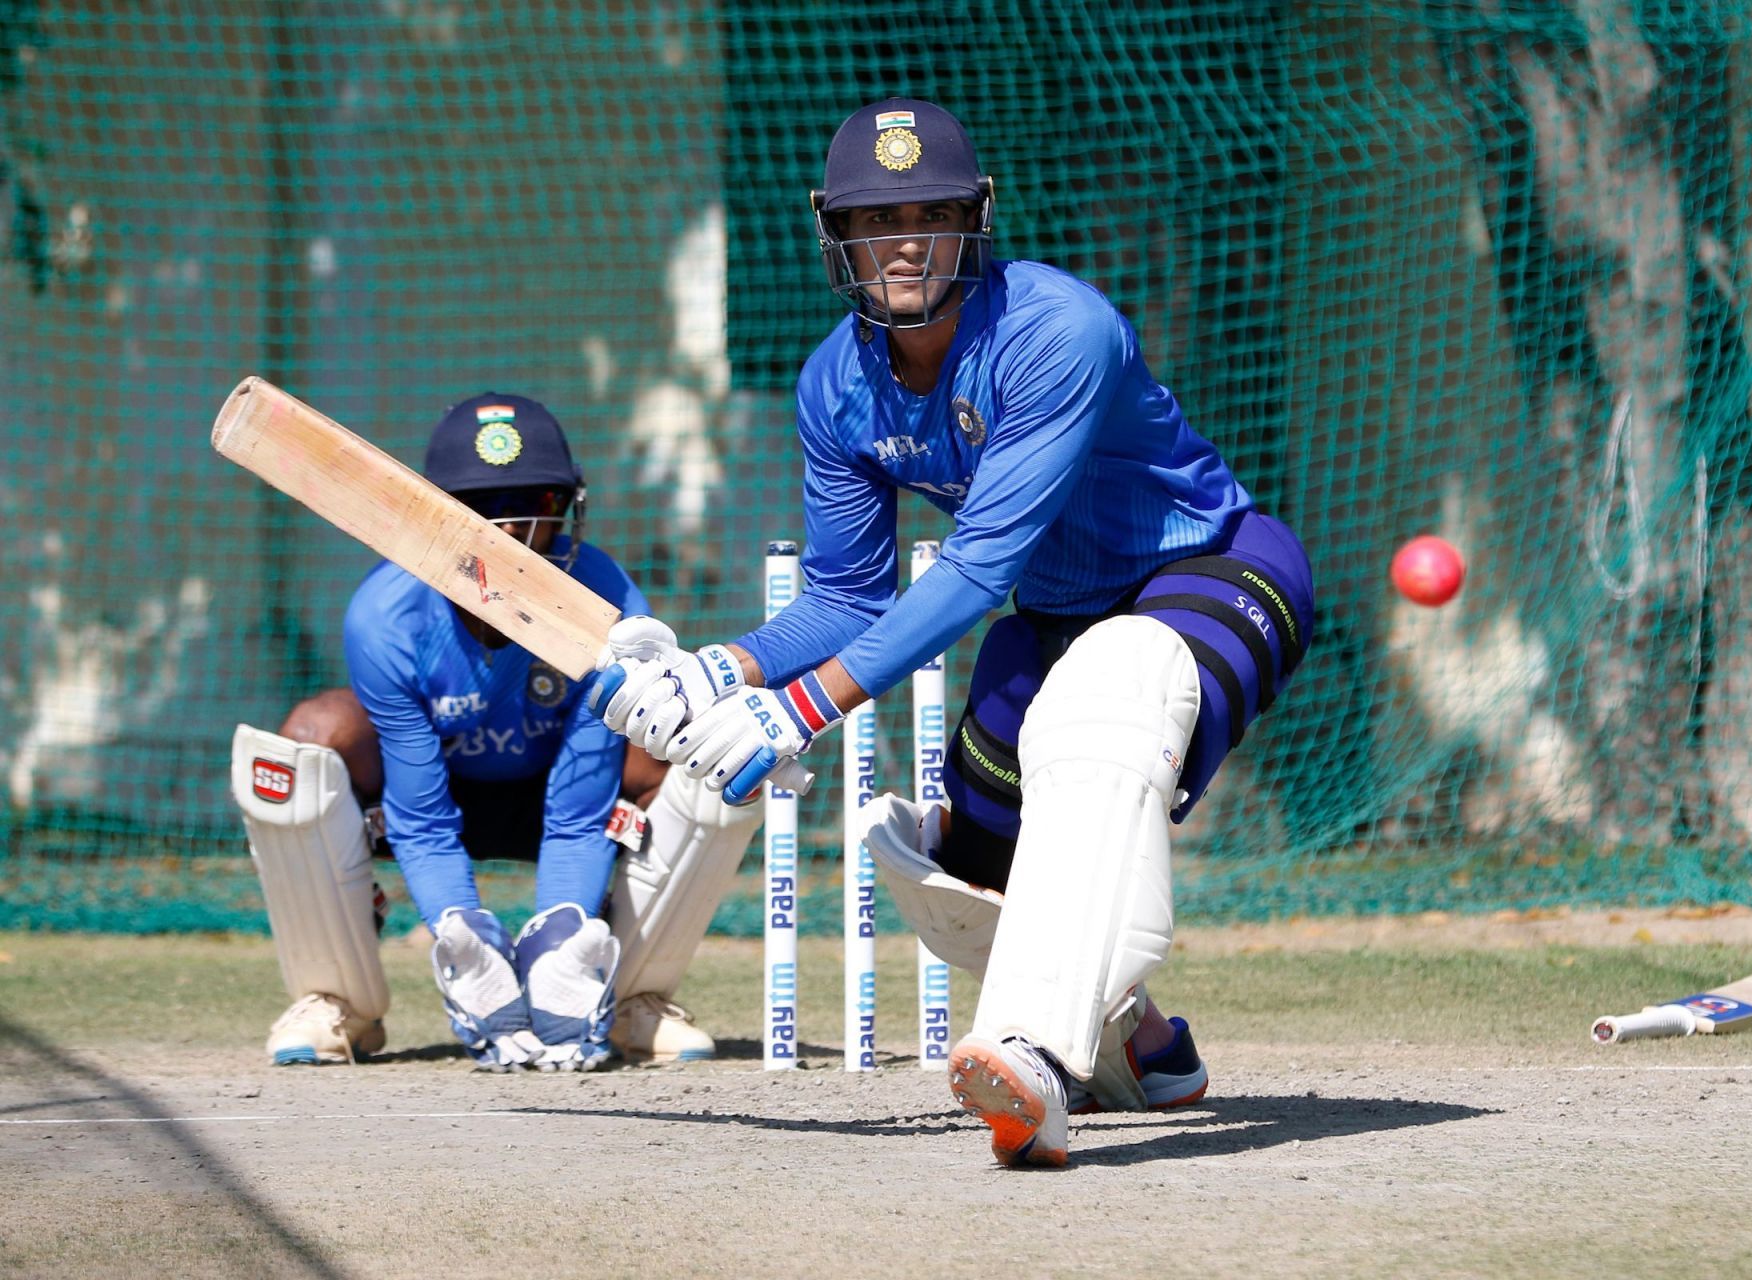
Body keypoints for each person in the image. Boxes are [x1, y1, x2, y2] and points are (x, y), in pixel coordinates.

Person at [591, 97, 1313, 1164]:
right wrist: (716, 667)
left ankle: (1036, 1054)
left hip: (1212, 570)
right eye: (878, 220)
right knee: (957, 868)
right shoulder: (834, 383)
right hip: (1057, 620)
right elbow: (847, 594)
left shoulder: (1056, 331)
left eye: (931, 212)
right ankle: (1146, 1047)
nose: (906, 241)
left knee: (1105, 697)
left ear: (980, 216)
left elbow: (980, 563)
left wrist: (796, 709)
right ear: (833, 230)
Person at [231, 392, 763, 1071]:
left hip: (559, 792)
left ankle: (627, 995)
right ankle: (339, 1001)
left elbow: (579, 810)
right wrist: (459, 930)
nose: (508, 537)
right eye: (480, 512)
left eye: (534, 503)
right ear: (434, 518)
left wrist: (559, 944)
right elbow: (420, 818)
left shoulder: (609, 603)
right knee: (312, 736)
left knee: (705, 757)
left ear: (564, 507)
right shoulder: (386, 616)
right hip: (428, 792)